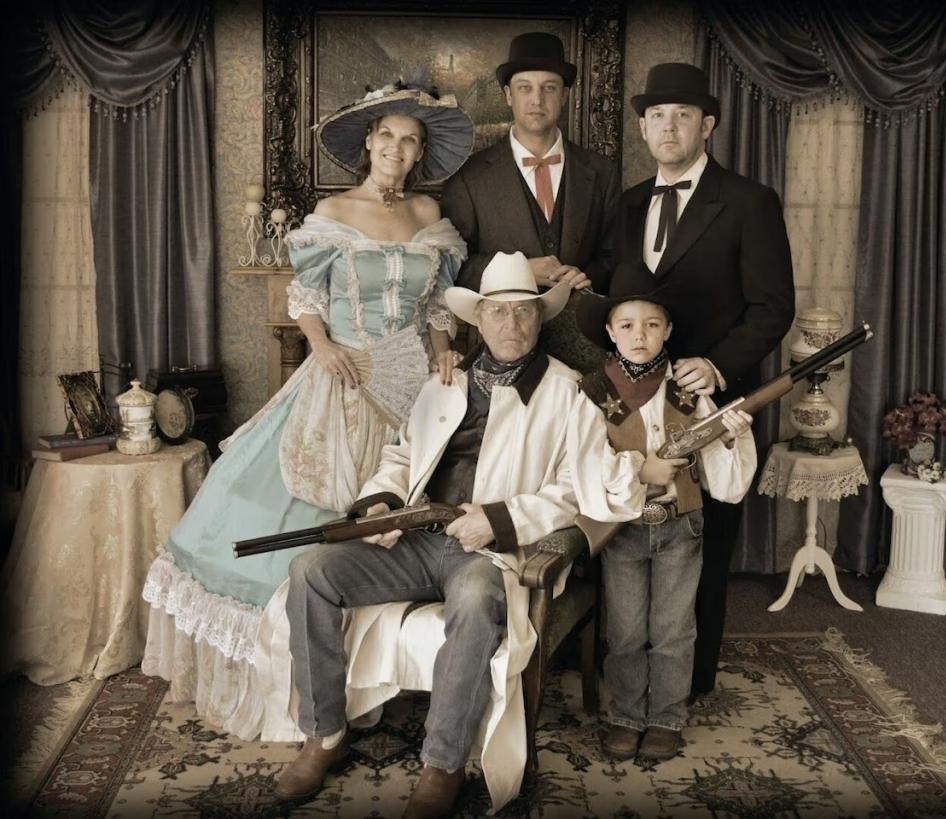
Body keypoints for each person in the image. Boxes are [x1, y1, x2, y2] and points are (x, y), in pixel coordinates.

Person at [140, 83, 473, 737]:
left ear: (419, 152)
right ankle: (298, 686)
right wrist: (320, 347)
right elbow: (307, 297)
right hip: (340, 375)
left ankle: (381, 673)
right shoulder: (333, 211)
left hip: (411, 388)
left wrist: (442, 354)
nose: (397, 149)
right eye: (387, 136)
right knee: (315, 512)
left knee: (395, 518)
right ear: (369, 142)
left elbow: (437, 306)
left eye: (410, 141)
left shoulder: (430, 213)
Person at [274, 251, 639, 818]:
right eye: (497, 312)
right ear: (478, 319)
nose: (511, 324)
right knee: (311, 571)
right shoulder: (445, 380)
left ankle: (442, 763)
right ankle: (324, 735)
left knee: (473, 597)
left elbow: (576, 489)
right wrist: (381, 503)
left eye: (523, 312)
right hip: (418, 539)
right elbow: (402, 455)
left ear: (540, 318)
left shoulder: (571, 392)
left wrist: (497, 519)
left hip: (491, 551)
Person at [614, 63, 795, 698]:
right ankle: (630, 677)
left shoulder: (749, 201)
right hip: (638, 401)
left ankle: (689, 684)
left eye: (683, 116)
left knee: (706, 542)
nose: (669, 128)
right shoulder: (627, 203)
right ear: (643, 128)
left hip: (716, 401)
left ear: (707, 125)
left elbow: (772, 308)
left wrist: (716, 364)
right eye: (657, 117)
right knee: (633, 536)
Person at [572, 262, 756, 761]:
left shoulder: (689, 389)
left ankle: (667, 717)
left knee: (675, 630)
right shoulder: (594, 392)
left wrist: (732, 436)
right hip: (624, 530)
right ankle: (626, 714)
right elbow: (585, 464)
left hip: (682, 526)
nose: (640, 335)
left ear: (668, 331)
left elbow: (721, 473)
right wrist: (641, 470)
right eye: (628, 325)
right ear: (610, 330)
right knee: (626, 631)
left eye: (652, 324)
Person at [442, 31, 620, 369]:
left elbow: (614, 257)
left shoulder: (601, 172)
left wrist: (585, 275)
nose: (537, 99)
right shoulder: (470, 177)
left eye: (549, 88)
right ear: (508, 95)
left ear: (564, 95)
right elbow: (455, 266)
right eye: (525, 88)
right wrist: (521, 270)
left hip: (584, 345)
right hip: (502, 346)